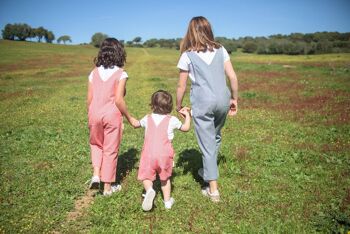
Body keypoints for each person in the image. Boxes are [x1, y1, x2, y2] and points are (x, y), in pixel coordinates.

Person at [176, 16, 238, 202]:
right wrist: (234, 98)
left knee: (207, 144)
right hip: (222, 100)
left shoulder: (187, 55)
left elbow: (181, 86)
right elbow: (232, 77)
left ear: (190, 32)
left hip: (203, 102)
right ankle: (208, 168)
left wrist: (178, 105)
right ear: (208, 30)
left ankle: (213, 189)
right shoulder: (221, 50)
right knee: (215, 136)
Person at [87, 38, 137, 196]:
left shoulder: (93, 72)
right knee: (110, 150)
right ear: (119, 52)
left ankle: (96, 174)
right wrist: (129, 117)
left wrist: (92, 113)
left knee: (96, 144)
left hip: (94, 113)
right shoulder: (121, 73)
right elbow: (118, 99)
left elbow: (89, 98)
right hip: (111, 115)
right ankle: (107, 188)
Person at [133, 90, 191, 211]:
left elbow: (136, 124)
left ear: (152, 105)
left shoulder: (147, 118)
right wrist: (187, 116)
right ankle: (167, 202)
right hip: (164, 155)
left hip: (148, 154)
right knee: (165, 179)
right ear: (169, 106)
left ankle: (149, 190)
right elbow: (186, 128)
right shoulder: (172, 120)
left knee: (146, 177)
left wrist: (127, 116)